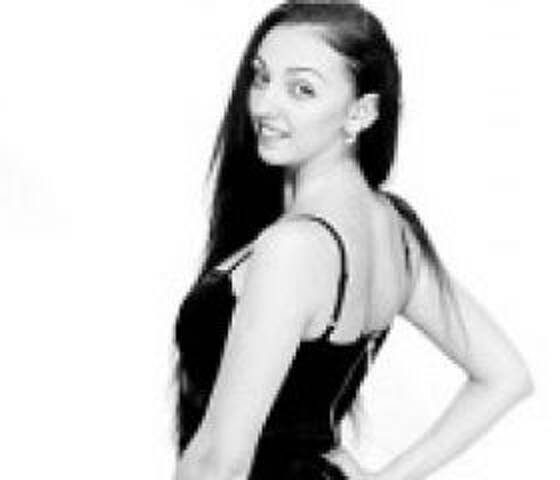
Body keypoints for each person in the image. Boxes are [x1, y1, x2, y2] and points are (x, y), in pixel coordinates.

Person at [173, 1, 534, 479]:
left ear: (362, 112)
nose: (263, 105)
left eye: (302, 89)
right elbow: (505, 375)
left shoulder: (294, 248)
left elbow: (219, 461)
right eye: (261, 77)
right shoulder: (396, 232)